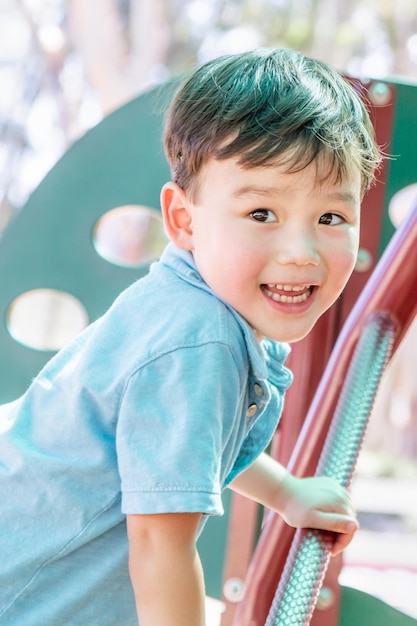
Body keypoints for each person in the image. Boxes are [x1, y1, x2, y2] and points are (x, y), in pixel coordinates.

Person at [0, 47, 381, 626]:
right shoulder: (200, 341)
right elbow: (161, 547)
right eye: (261, 213)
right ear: (183, 221)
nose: (300, 254)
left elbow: (193, 442)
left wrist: (284, 494)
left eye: (332, 218)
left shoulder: (202, 308)